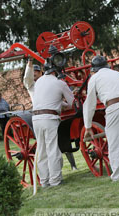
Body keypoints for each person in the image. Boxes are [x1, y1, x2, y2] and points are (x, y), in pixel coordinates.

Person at [24, 58, 74, 187]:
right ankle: (55, 180)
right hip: (50, 119)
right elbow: (72, 103)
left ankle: (44, 181)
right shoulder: (60, 82)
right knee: (52, 149)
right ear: (56, 71)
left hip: (36, 118)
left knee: (42, 150)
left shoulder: (39, 83)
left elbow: (48, 99)